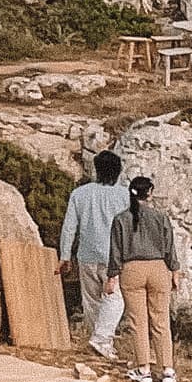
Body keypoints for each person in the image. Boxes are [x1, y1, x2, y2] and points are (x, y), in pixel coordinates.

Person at [56, 149, 130, 358]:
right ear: (118, 171)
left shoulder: (80, 193)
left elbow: (69, 227)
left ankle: (99, 341)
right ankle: (102, 338)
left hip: (86, 255)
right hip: (113, 256)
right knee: (116, 298)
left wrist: (65, 255)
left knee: (91, 301)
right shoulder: (124, 195)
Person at [112, 174, 185, 382]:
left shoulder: (121, 219)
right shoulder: (160, 217)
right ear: (150, 194)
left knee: (138, 322)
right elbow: (169, 247)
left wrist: (111, 275)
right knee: (160, 320)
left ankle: (144, 369)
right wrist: (175, 270)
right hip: (158, 268)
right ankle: (168, 369)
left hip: (132, 269)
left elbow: (115, 251)